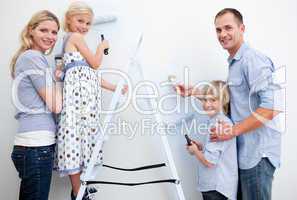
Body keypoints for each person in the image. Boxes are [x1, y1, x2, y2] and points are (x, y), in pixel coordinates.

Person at [177, 8, 281, 200]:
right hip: (244, 155)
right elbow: (230, 98)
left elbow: (271, 108)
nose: (223, 34)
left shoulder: (253, 60)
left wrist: (233, 130)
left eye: (228, 28)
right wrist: (194, 92)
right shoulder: (235, 64)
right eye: (218, 30)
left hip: (258, 154)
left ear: (242, 28)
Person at [54, 2, 127, 200]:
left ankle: (79, 189)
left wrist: (115, 87)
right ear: (69, 19)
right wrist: (101, 47)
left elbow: (89, 73)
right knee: (74, 145)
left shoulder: (71, 43)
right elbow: (95, 64)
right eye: (80, 21)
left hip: (83, 104)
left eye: (88, 23)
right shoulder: (75, 37)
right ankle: (78, 191)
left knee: (79, 145)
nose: (84, 26)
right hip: (78, 105)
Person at [10, 10, 62, 200]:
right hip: (35, 147)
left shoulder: (30, 58)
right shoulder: (32, 57)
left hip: (33, 146)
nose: (50, 37)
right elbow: (56, 105)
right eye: (44, 30)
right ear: (31, 30)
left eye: (55, 32)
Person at [185, 80, 238, 200]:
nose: (206, 104)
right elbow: (217, 153)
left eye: (213, 100)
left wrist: (195, 152)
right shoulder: (216, 121)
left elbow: (210, 162)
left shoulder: (219, 124)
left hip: (216, 188)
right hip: (215, 187)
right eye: (204, 100)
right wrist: (201, 148)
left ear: (223, 100)